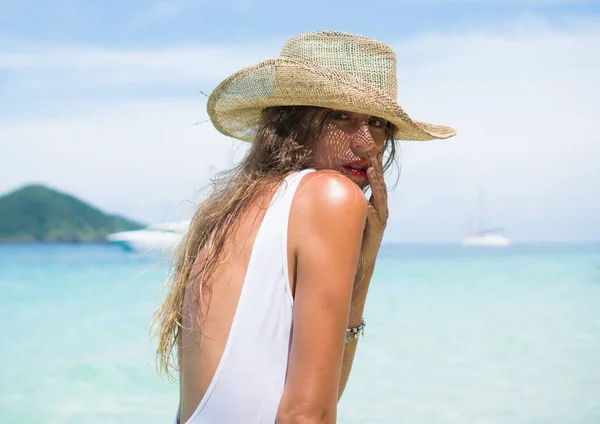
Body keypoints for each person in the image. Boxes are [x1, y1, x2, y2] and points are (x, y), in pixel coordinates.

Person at [153, 30, 455, 424]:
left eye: (378, 123)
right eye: (340, 116)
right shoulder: (327, 196)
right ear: (292, 120)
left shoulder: (229, 210)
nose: (367, 144)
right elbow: (308, 414)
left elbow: (319, 393)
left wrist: (366, 259)